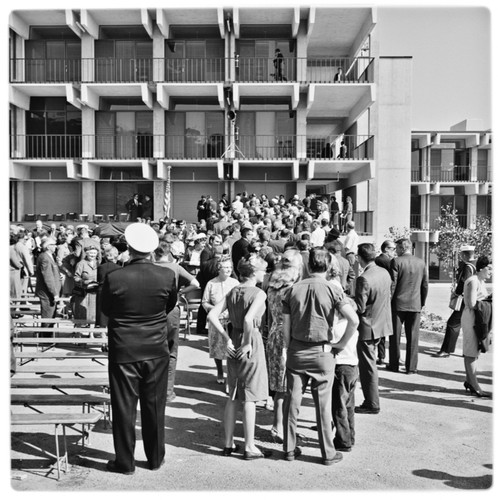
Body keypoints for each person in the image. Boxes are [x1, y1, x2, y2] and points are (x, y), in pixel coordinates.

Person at [101, 223, 177, 474]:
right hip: (156, 348)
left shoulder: (114, 276)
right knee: (155, 406)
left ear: (129, 249)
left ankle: (125, 462)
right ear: (152, 249)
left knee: (124, 408)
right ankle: (155, 458)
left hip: (124, 349)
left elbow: (106, 310)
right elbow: (168, 306)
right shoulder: (167, 275)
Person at [282, 247, 359, 466]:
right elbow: (354, 320)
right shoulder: (334, 290)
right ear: (327, 266)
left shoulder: (292, 290)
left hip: (297, 350)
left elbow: (285, 328)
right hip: (324, 351)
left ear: (308, 265)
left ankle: (288, 448)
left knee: (292, 402)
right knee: (323, 406)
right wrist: (340, 344)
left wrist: (289, 349)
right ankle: (327, 452)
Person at [207, 255, 270, 460]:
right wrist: (247, 342)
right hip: (249, 341)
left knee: (233, 394)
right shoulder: (259, 293)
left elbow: (211, 315)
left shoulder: (234, 290)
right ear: (254, 273)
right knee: (250, 396)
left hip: (233, 338)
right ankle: (249, 446)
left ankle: (228, 443)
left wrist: (226, 337)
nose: (265, 273)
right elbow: (249, 318)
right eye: (263, 269)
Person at [154, 237, 200, 402]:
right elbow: (196, 283)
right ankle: (167, 391)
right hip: (172, 309)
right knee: (171, 351)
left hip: (152, 310)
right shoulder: (175, 267)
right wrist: (180, 292)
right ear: (170, 254)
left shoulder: (150, 266)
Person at [265, 249, 303, 444]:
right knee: (286, 385)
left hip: (273, 333)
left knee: (280, 384)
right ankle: (280, 426)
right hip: (288, 335)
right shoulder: (292, 288)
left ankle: (278, 424)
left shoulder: (272, 284)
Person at [354, 243, 393, 415]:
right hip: (380, 322)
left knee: (367, 366)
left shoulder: (364, 278)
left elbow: (360, 307)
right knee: (370, 364)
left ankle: (372, 402)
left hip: (367, 325)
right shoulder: (383, 272)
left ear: (360, 258)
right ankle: (371, 400)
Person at [388, 238, 429, 374]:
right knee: (413, 337)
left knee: (395, 336)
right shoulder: (421, 262)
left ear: (401, 248)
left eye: (396, 248)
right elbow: (425, 285)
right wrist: (421, 302)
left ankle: (394, 364)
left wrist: (389, 302)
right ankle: (411, 367)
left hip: (398, 304)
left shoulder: (396, 261)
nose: (396, 251)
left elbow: (392, 285)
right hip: (415, 304)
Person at [434, 245, 476, 358]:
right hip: (473, 300)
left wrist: (456, 293)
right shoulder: (476, 265)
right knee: (468, 325)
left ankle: (446, 350)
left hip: (465, 300)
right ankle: (468, 351)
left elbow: (464, 283)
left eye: (461, 255)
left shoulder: (467, 267)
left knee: (453, 324)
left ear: (464, 255)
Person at [202, 258, 239, 385]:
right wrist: (215, 309)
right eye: (226, 267)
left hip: (232, 321)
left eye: (230, 267)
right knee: (217, 348)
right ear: (219, 269)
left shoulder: (235, 283)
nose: (229, 270)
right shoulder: (211, 283)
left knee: (231, 348)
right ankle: (219, 371)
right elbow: (204, 302)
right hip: (216, 320)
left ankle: (230, 376)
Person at [461, 255, 492, 397]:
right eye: (489, 269)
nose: (491, 272)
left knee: (474, 351)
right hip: (471, 319)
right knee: (471, 352)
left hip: (477, 319)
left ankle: (469, 380)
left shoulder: (480, 281)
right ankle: (475, 386)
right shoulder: (473, 281)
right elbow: (473, 303)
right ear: (481, 268)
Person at [374, 239, 397, 365]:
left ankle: (381, 356)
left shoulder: (377, 260)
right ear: (386, 249)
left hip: (379, 295)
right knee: (383, 327)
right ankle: (382, 355)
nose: (394, 252)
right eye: (393, 249)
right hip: (386, 296)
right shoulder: (388, 262)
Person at [34, 237, 62, 336]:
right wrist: (54, 293)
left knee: (51, 316)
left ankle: (47, 337)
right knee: (48, 317)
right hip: (47, 293)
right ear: (48, 246)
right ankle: (45, 339)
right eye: (54, 244)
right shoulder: (45, 257)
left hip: (50, 292)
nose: (56, 246)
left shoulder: (50, 256)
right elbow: (48, 277)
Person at [72, 243, 100, 329]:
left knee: (92, 315)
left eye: (94, 253)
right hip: (83, 294)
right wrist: (84, 282)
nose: (92, 255)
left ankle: (91, 334)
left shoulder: (98, 264)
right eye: (90, 253)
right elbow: (76, 277)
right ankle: (78, 334)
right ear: (86, 253)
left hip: (94, 294)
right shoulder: (81, 263)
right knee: (82, 315)